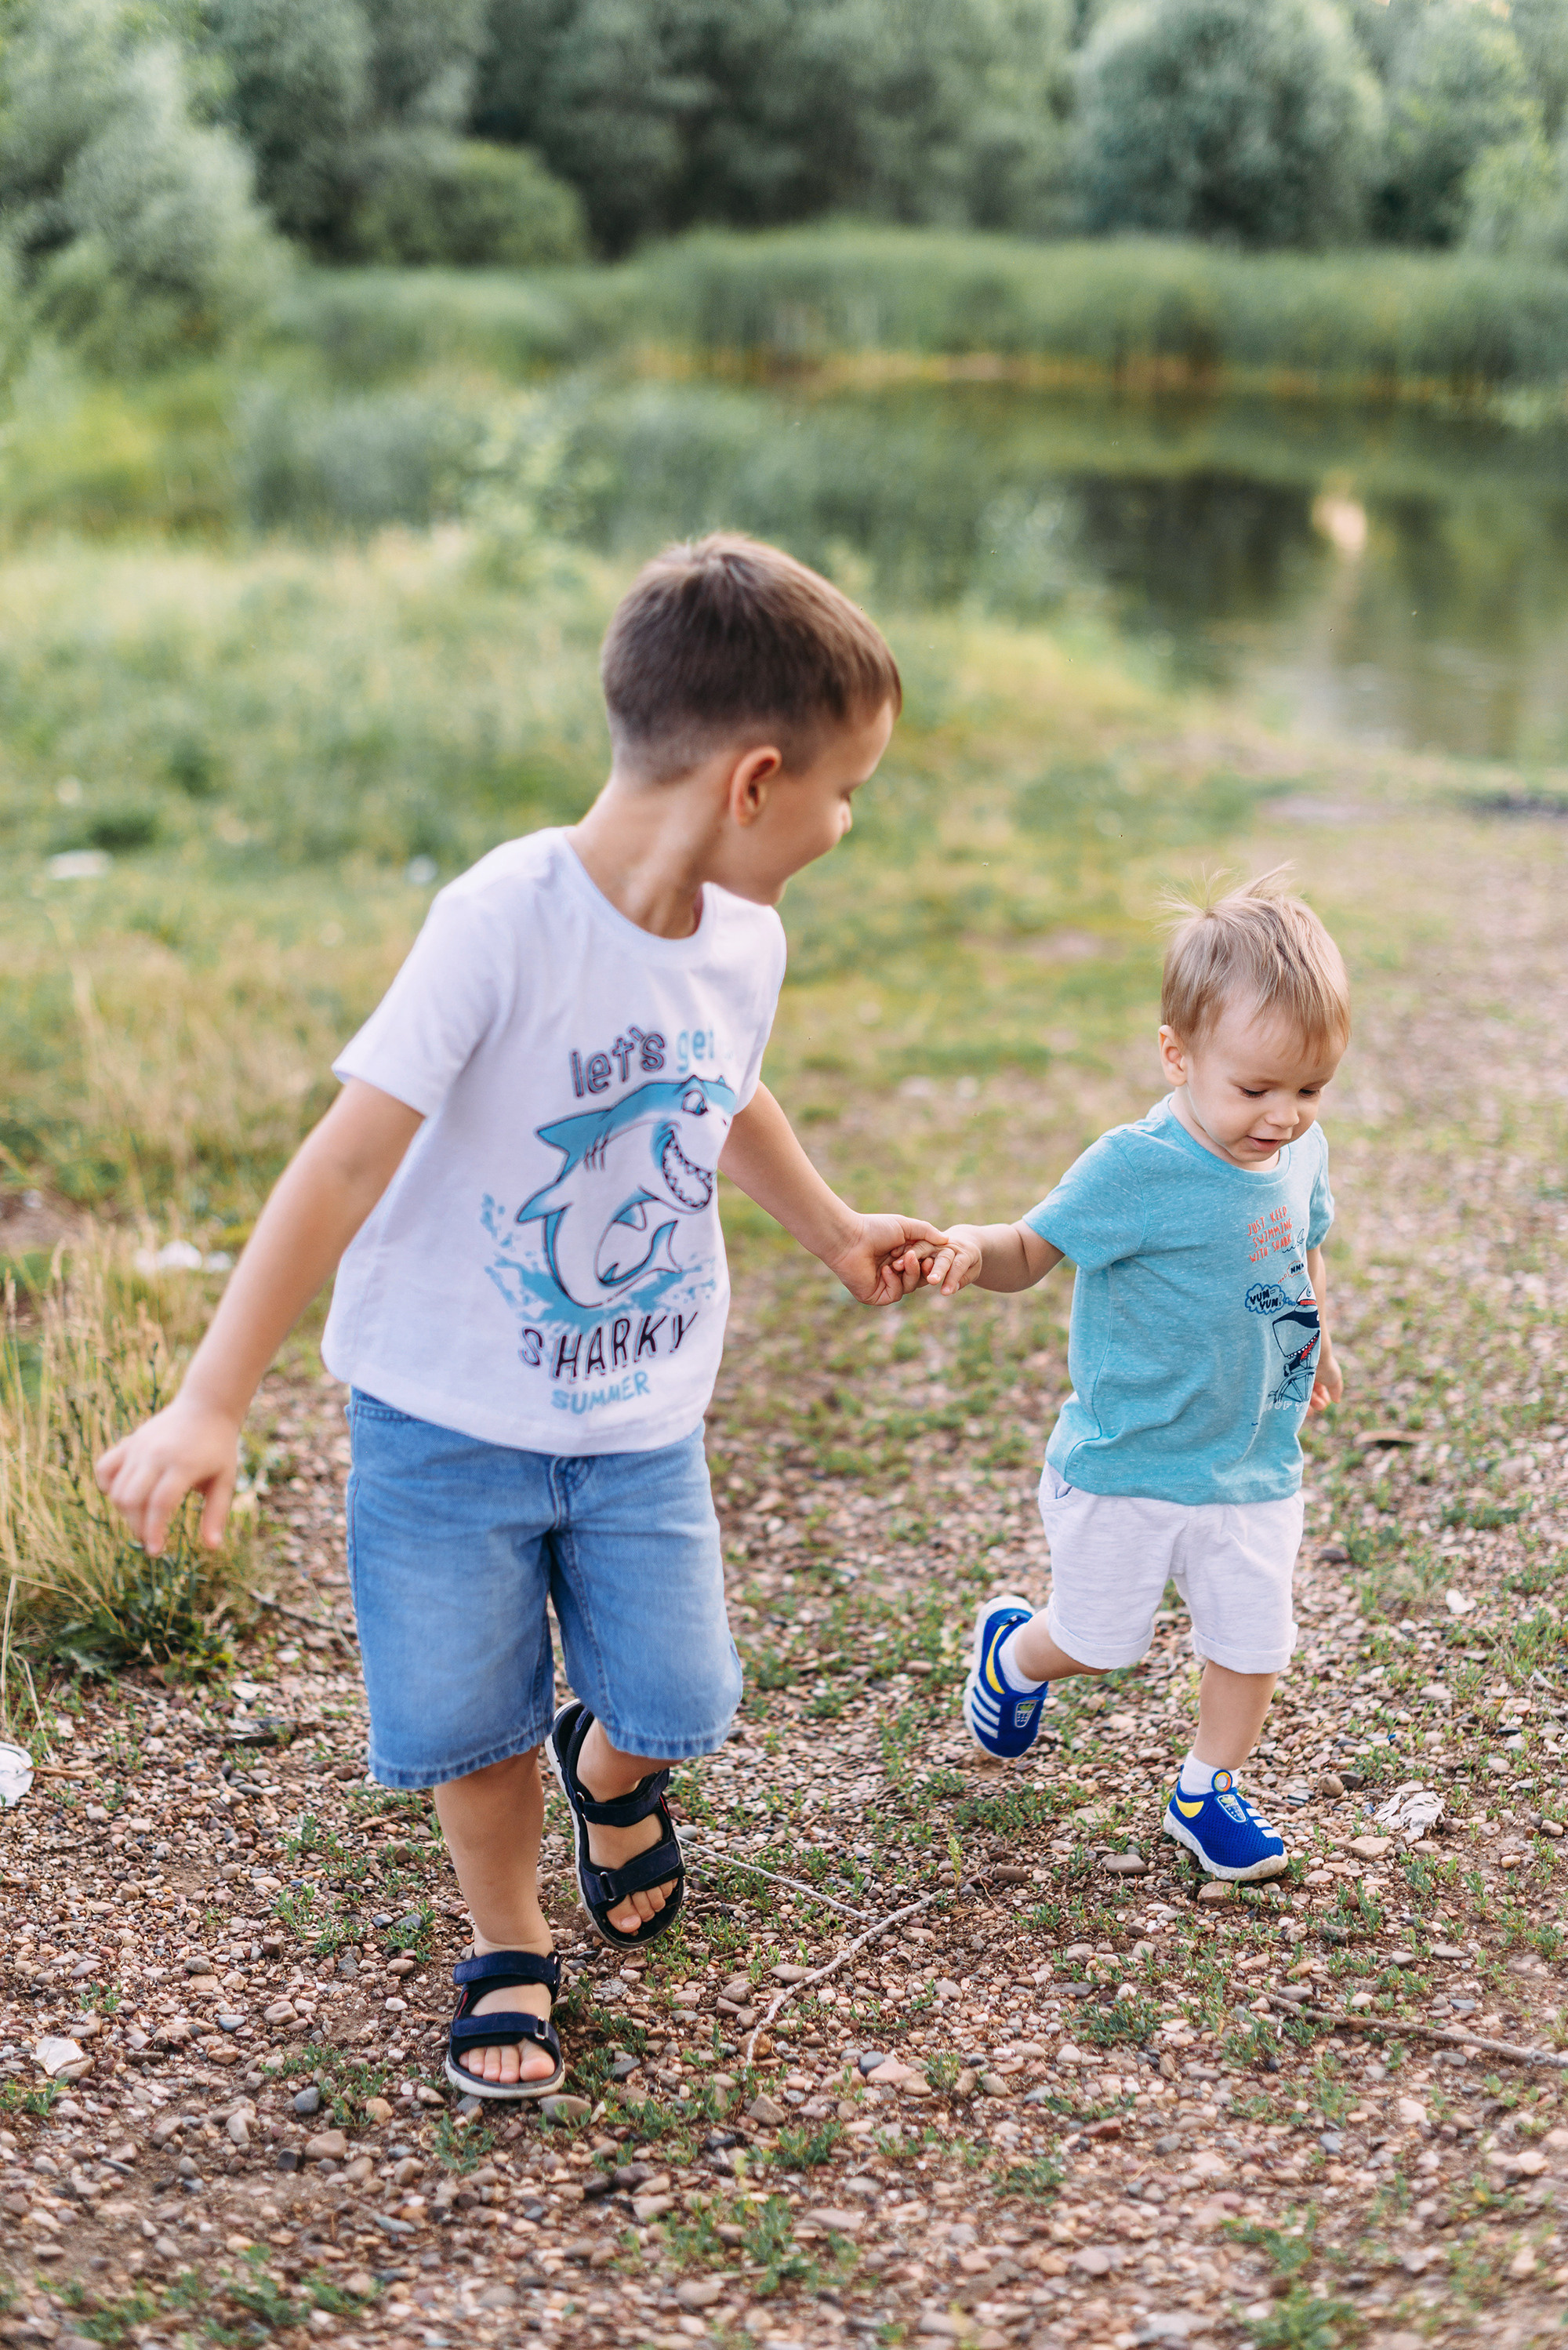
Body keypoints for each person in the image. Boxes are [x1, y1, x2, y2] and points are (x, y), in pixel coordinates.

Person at [96, 534, 943, 2098]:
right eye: (848, 791)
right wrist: (214, 1396)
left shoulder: (745, 938)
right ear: (755, 781)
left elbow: (722, 1090)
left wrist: (828, 1229)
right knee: (471, 1718)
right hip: (441, 1420)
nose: (848, 823)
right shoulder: (500, 918)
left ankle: (609, 1771)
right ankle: (507, 1935)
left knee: (681, 1695)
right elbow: (342, 1158)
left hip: (634, 1419)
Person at [924, 870, 1348, 1882]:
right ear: (1178, 1054)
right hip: (1126, 1461)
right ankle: (1015, 1652)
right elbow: (1033, 1249)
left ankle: (1207, 1789)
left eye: (1309, 1090)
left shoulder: (1298, 1152)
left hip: (1250, 1464)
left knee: (1255, 1641)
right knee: (1099, 1639)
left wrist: (1316, 1333)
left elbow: (1304, 1246)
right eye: (1255, 1089)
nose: (1283, 1117)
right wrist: (968, 1248)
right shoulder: (1135, 1166)